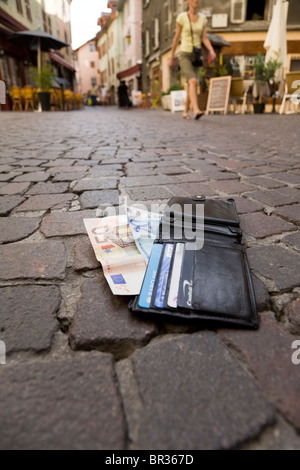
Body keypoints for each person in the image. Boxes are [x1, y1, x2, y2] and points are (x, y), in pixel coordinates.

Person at [169, 0, 216, 120]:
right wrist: (171, 57)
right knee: (193, 81)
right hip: (184, 53)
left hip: (196, 54)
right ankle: (195, 110)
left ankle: (185, 111)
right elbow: (176, 38)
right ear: (188, 1)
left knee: (191, 84)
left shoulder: (203, 19)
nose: (196, 1)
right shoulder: (182, 17)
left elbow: (204, 38)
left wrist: (211, 50)